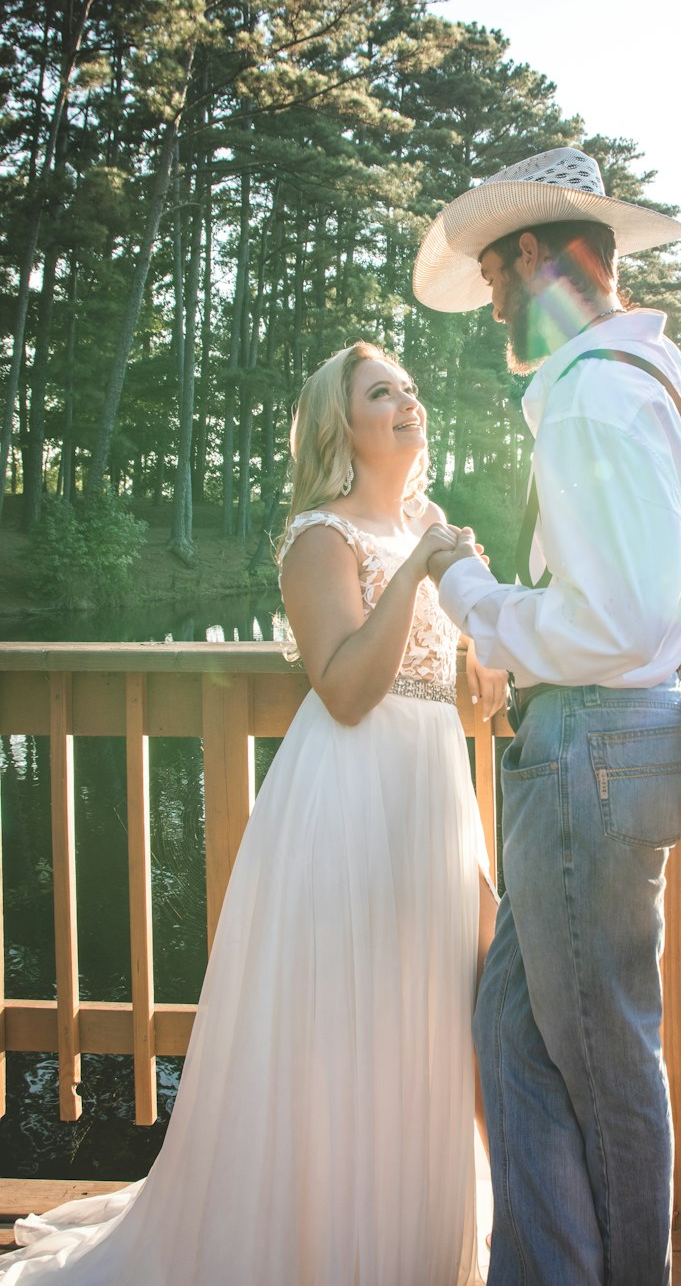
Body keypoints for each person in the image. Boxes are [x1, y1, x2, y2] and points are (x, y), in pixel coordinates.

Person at [0, 341, 505, 1286]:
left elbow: (469, 704)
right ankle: (323, 1243)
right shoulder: (320, 536)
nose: (408, 402)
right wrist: (416, 575)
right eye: (381, 391)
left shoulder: (428, 524)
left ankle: (413, 1242)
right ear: (339, 426)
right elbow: (348, 689)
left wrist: (487, 641)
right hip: (349, 800)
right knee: (343, 1019)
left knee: (431, 1011)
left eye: (409, 388)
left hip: (431, 800)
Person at [413, 148, 681, 1286]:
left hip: (590, 749)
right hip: (617, 741)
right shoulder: (680, 390)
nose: (494, 305)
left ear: (539, 261)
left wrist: (470, 595)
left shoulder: (593, 396)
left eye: (498, 279)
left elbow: (615, 619)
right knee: (516, 1030)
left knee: (601, 1059)